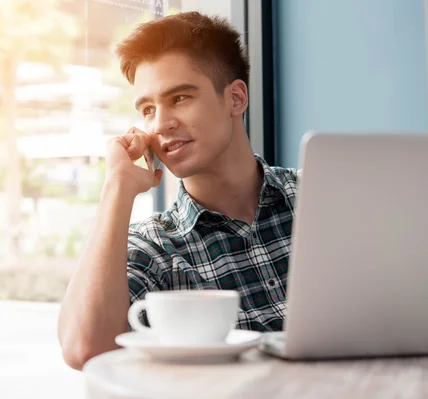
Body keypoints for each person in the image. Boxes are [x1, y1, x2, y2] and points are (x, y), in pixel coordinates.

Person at [57, 11, 298, 370]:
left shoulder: (319, 196)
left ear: (236, 99)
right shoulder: (155, 247)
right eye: (148, 109)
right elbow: (84, 349)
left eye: (180, 98)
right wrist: (116, 190)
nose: (161, 123)